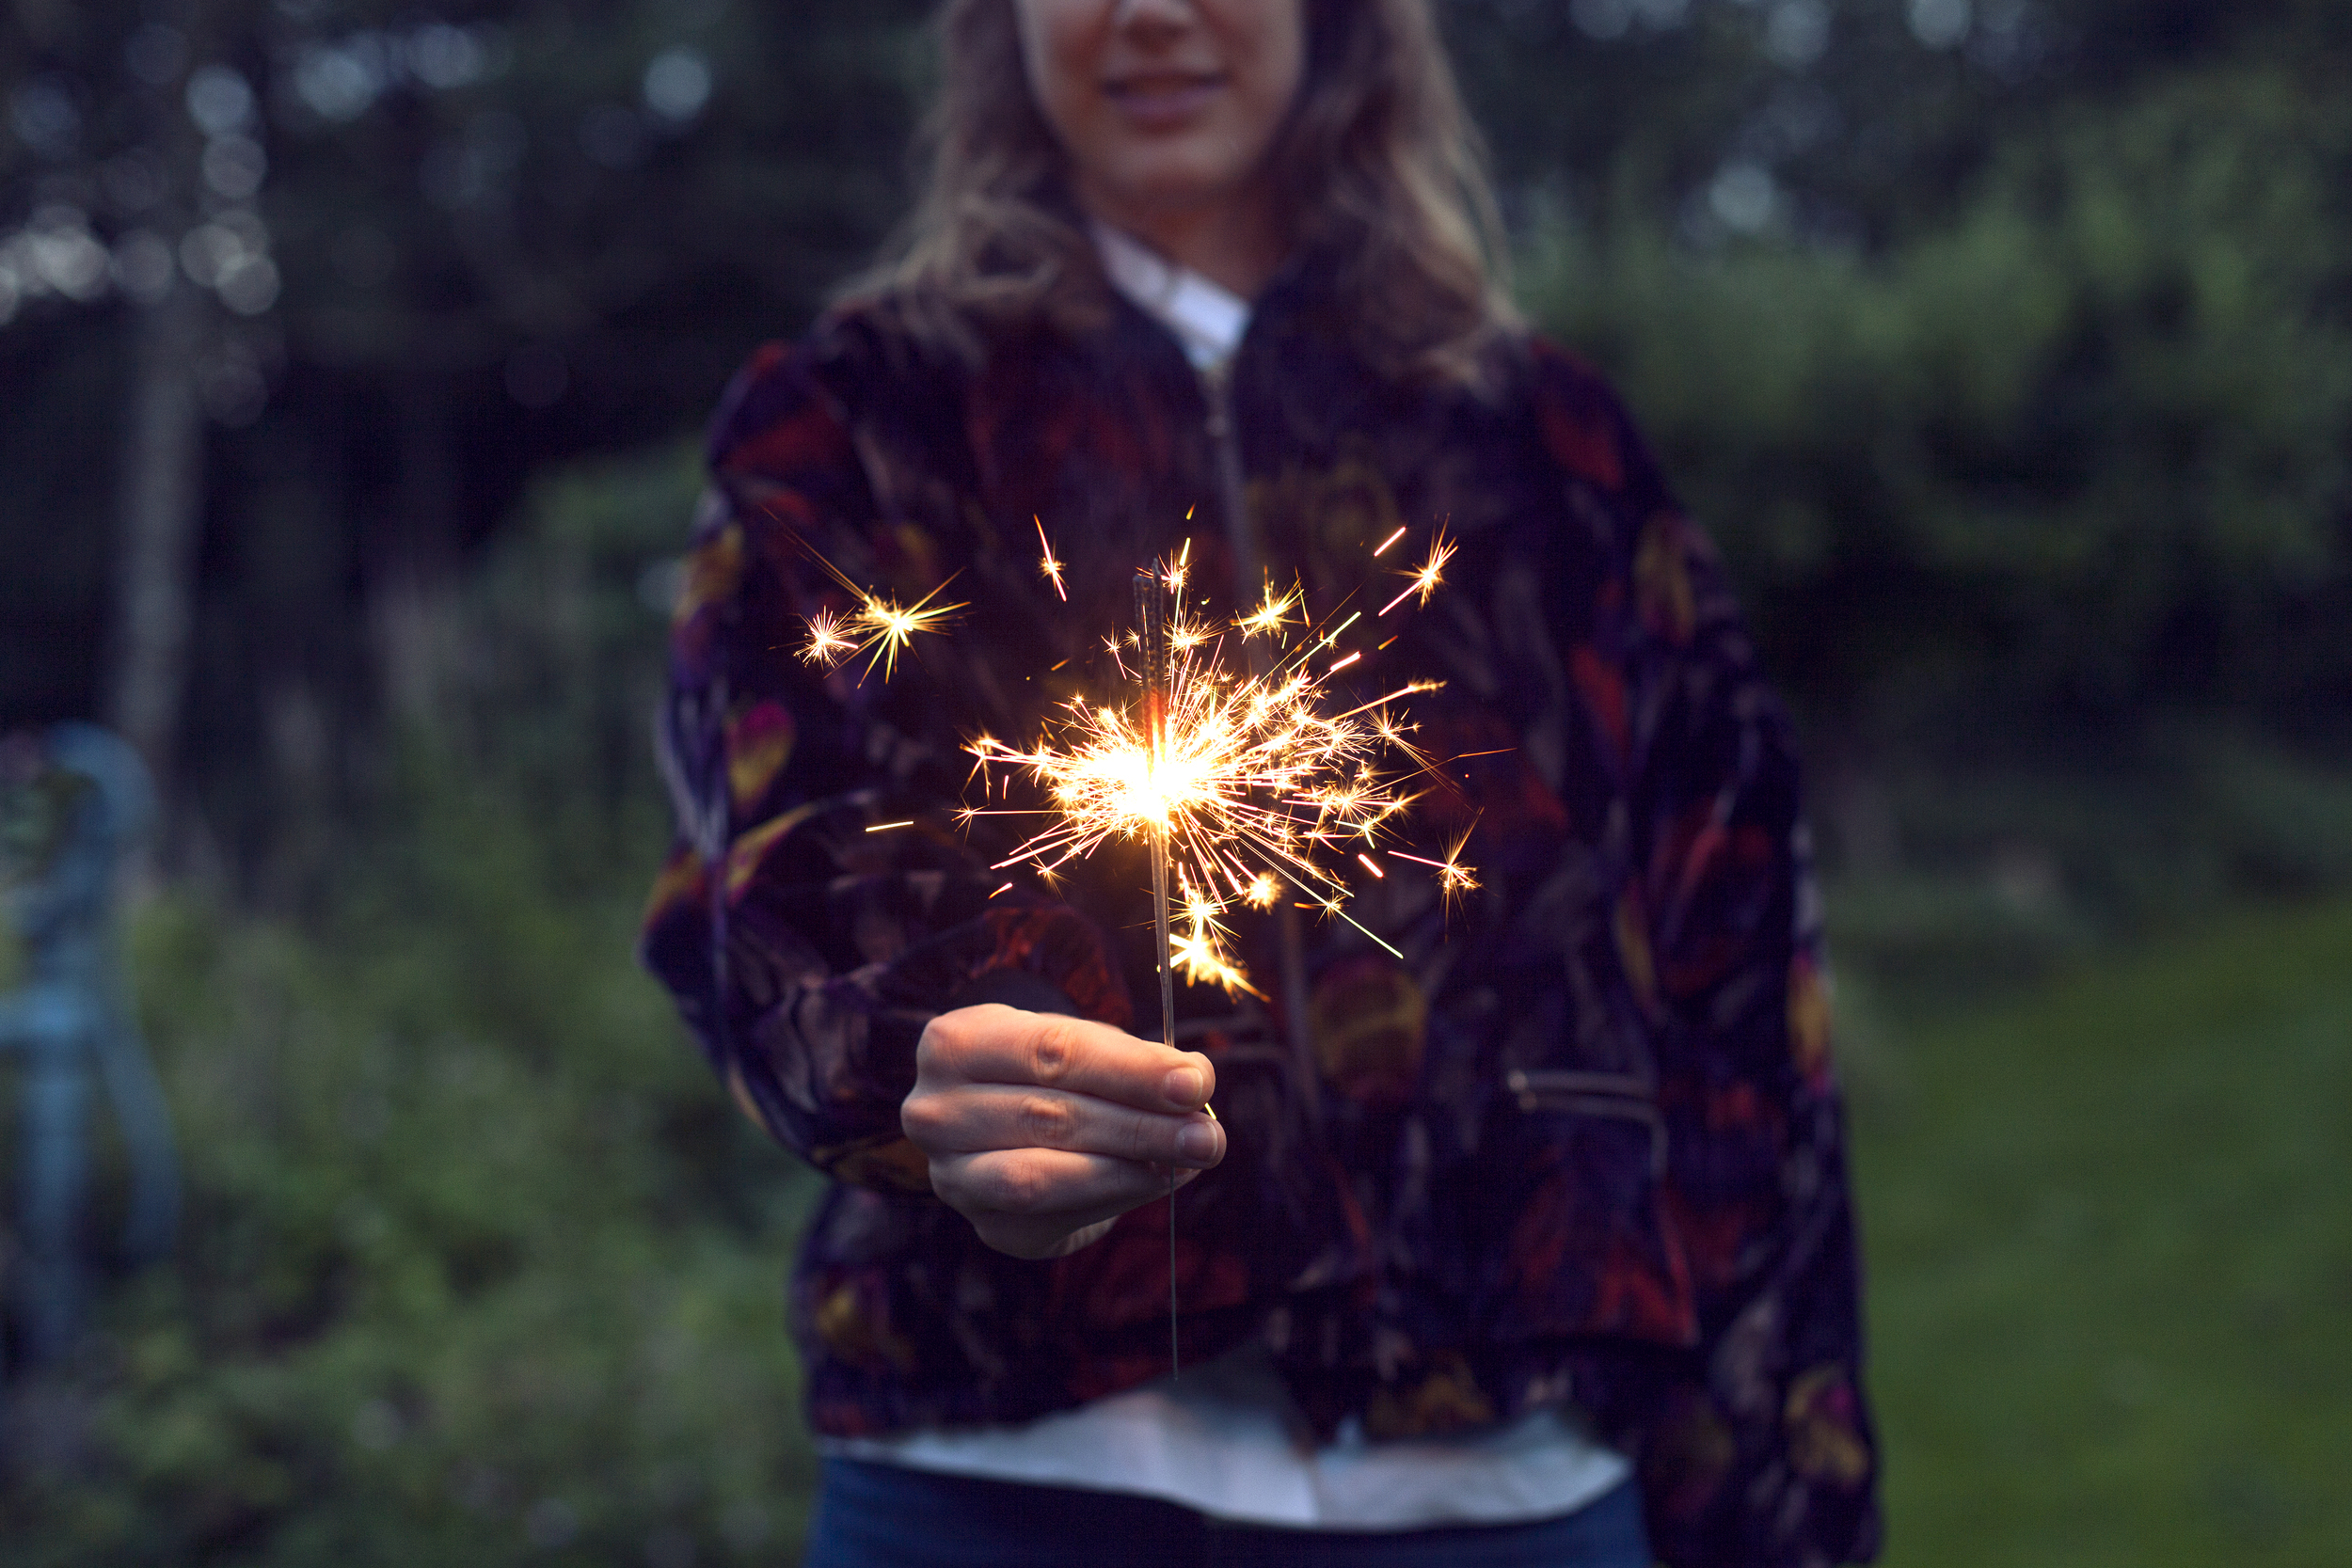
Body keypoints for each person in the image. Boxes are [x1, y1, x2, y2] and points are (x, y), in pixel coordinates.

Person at [640, 2, 1882, 1563]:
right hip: (1011, 1483)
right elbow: (771, 868)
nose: (1155, 11)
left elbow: (1740, 971)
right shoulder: (856, 418)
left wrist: (1777, 1501)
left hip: (1511, 1481)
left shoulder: (1547, 448)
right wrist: (913, 1076)